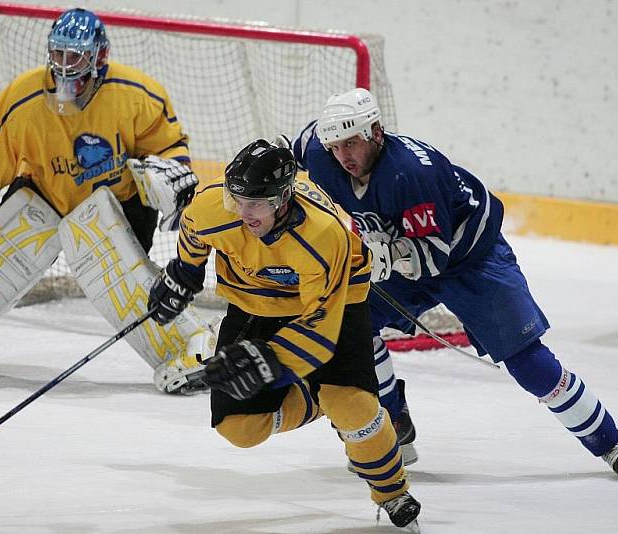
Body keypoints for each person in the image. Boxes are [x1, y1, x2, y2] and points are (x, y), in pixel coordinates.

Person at [292, 87, 618, 476]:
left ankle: (610, 441)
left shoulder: (412, 172)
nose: (343, 156)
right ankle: (393, 425)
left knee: (526, 360)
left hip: (472, 261)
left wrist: (381, 256)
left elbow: (430, 259)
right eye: (336, 146)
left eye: (352, 143)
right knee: (352, 323)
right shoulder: (321, 150)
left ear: (376, 133)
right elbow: (291, 148)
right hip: (404, 256)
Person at [0, 8, 215, 394]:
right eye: (58, 54)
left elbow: (171, 149)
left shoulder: (137, 94)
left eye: (76, 57)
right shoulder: (23, 98)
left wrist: (169, 177)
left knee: (118, 272)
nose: (65, 66)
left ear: (98, 57)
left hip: (118, 206)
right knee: (1, 249)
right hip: (46, 195)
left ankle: (190, 346)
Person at [147, 138, 422, 528]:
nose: (243, 213)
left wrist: (268, 361)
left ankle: (393, 491)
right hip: (252, 303)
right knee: (237, 428)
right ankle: (317, 398)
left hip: (336, 303)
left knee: (354, 409)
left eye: (255, 204)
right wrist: (185, 272)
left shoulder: (324, 235)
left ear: (282, 199)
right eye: (237, 200)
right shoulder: (212, 206)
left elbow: (320, 328)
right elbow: (193, 232)